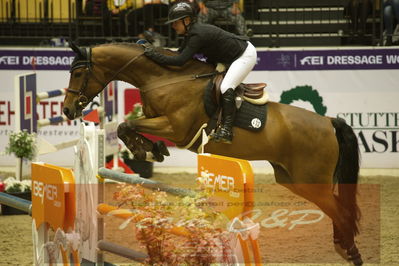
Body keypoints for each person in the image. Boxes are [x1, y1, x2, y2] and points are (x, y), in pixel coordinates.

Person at [143, 1, 257, 144]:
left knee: (225, 87)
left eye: (175, 22)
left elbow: (180, 61)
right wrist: (154, 52)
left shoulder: (197, 35)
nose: (172, 26)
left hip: (244, 55)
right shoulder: (191, 34)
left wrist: (152, 55)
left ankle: (227, 130)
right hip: (227, 58)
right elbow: (179, 54)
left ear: (187, 20)